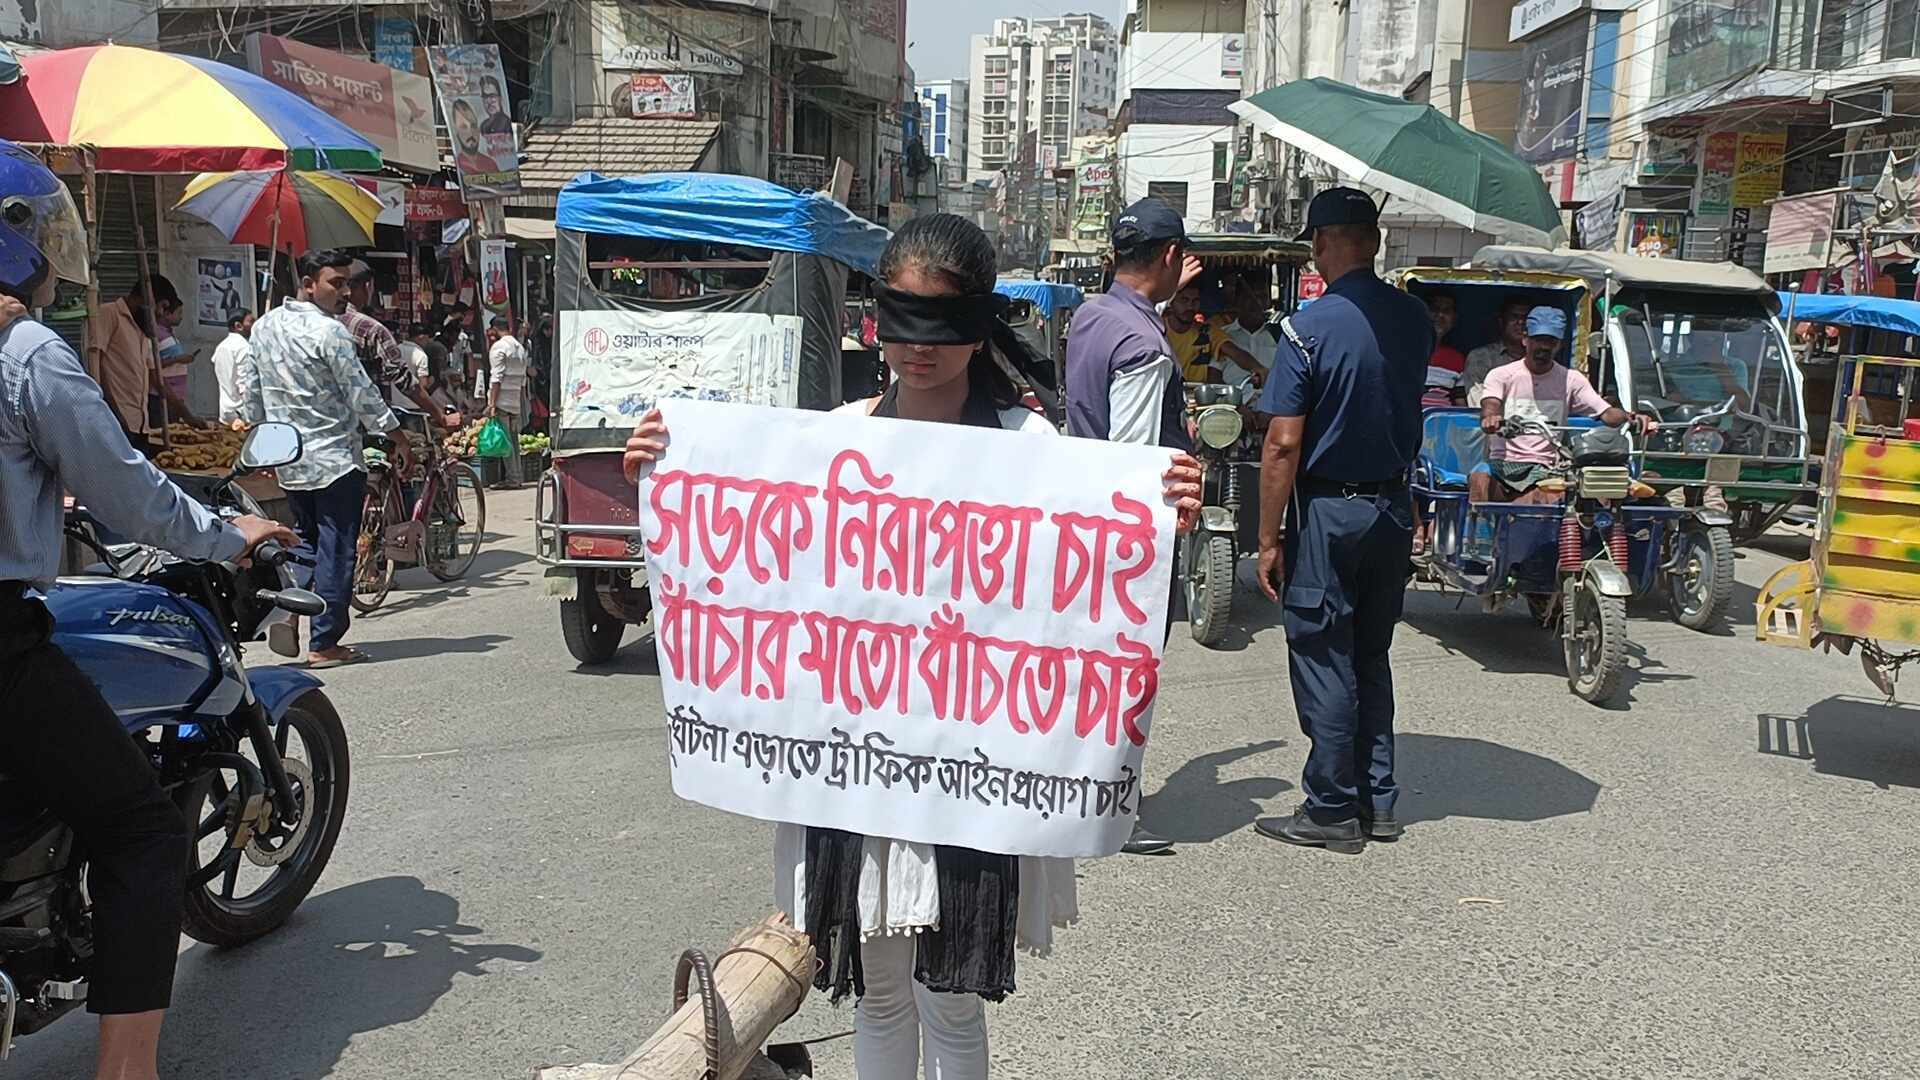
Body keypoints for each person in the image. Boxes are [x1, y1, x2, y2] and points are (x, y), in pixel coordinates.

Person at [621, 212, 1201, 1080]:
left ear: (979, 322)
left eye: (942, 321)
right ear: (876, 319)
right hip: (854, 769)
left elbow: (1085, 576)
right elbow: (754, 571)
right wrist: (668, 475)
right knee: (878, 994)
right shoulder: (835, 437)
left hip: (973, 770)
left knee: (952, 1000)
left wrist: (1157, 512)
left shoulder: (1036, 450)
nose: (920, 346)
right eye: (903, 319)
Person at [0, 137, 296, 1080]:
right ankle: (128, 1069)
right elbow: (128, 493)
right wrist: (227, 536)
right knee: (143, 830)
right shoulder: (25, 352)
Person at [1251, 187, 1432, 855]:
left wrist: (1267, 538)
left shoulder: (1308, 327)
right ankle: (1376, 801)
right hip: (1391, 505)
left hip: (1329, 512)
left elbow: (1282, 443)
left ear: (1321, 244)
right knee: (1370, 654)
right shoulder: (1415, 319)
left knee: (1324, 654)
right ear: (1375, 242)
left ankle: (1330, 808)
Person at [1063, 196, 1203, 857]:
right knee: (1126, 675)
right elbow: (1135, 461)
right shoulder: (1143, 345)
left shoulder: (1094, 316)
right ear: (1171, 255)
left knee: (1090, 671)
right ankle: (1111, 808)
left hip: (1083, 523)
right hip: (1125, 540)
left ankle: (1082, 793)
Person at [238, 248, 412, 668]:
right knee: (335, 548)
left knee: (305, 543)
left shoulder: (264, 327)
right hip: (334, 459)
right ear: (308, 283)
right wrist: (396, 436)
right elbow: (361, 393)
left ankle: (289, 610)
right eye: (336, 283)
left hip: (290, 459)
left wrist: (260, 443)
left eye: (347, 283)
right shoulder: (331, 333)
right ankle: (325, 641)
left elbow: (252, 393)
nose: (345, 292)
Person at [1472, 306, 1652, 504]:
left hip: (1546, 466)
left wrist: (1631, 417)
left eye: (1551, 341)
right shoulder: (1501, 375)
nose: (1544, 346)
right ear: (1525, 339)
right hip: (1502, 464)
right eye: (1538, 339)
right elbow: (1490, 404)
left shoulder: (1571, 379)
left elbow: (1606, 413)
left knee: (1570, 493)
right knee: (1479, 478)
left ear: (1559, 344)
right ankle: (1478, 525)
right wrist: (1491, 418)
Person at [86, 275, 201, 453]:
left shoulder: (144, 328)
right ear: (145, 298)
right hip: (116, 423)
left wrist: (186, 414)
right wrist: (112, 413)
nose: (160, 313)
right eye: (161, 306)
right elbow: (95, 367)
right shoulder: (109, 314)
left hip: (141, 424)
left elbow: (156, 377)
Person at [342, 261, 460, 428]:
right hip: (364, 423)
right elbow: (405, 381)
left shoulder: (315, 323)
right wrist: (440, 416)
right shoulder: (371, 329)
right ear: (367, 287)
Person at [485, 315, 530, 488]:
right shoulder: (519, 347)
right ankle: (517, 475)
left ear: (495, 329)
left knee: (506, 442)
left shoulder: (499, 347)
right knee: (513, 441)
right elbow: (523, 379)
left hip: (502, 401)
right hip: (515, 401)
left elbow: (496, 378)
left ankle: (512, 478)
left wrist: (492, 404)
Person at [1463, 297, 1530, 404]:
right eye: (1514, 317)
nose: (1521, 322)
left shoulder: (1539, 359)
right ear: (1502, 321)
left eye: (1526, 318)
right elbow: (1478, 402)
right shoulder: (1481, 356)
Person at [1219, 272, 1276, 393]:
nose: (1256, 303)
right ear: (1237, 301)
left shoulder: (1279, 336)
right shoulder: (1223, 337)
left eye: (1262, 297)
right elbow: (1214, 377)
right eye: (1249, 297)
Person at [1422, 292, 1468, 407]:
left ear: (1454, 319)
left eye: (1446, 311)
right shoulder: (1405, 352)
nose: (1440, 315)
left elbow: (1460, 401)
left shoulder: (1456, 358)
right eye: (1434, 309)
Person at [211, 309, 255, 426]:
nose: (254, 326)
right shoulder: (244, 347)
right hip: (241, 413)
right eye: (251, 322)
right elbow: (244, 383)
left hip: (225, 411)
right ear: (238, 326)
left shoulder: (222, 346)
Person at [450, 99, 499, 174]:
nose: (470, 133)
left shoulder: (491, 164)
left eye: (473, 125)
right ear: (456, 132)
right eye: (463, 127)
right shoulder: (455, 166)